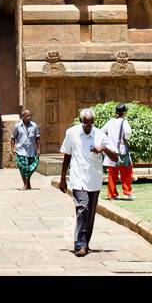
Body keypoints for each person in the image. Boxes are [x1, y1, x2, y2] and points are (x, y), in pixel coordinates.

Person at [58, 108, 116, 257]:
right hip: (78, 178)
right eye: (85, 124)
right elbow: (67, 155)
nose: (88, 127)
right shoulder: (72, 133)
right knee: (82, 207)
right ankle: (80, 244)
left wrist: (103, 148)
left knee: (90, 213)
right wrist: (62, 178)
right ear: (80, 121)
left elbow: (115, 157)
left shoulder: (100, 135)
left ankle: (85, 242)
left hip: (94, 179)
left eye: (91, 124)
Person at [101, 104, 134, 201]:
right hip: (121, 150)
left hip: (111, 151)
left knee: (112, 173)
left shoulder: (110, 122)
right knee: (127, 172)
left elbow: (102, 131)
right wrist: (125, 139)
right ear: (124, 113)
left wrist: (107, 142)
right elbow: (128, 132)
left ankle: (112, 194)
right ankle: (127, 193)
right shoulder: (124, 121)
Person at [11, 108, 41, 190]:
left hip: (31, 150)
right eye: (27, 115)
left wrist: (38, 149)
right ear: (22, 116)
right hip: (21, 150)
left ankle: (28, 182)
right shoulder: (17, 126)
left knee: (31, 168)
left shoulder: (34, 125)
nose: (29, 117)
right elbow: (13, 137)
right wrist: (12, 148)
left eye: (29, 115)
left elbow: (37, 138)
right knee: (22, 167)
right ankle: (25, 184)